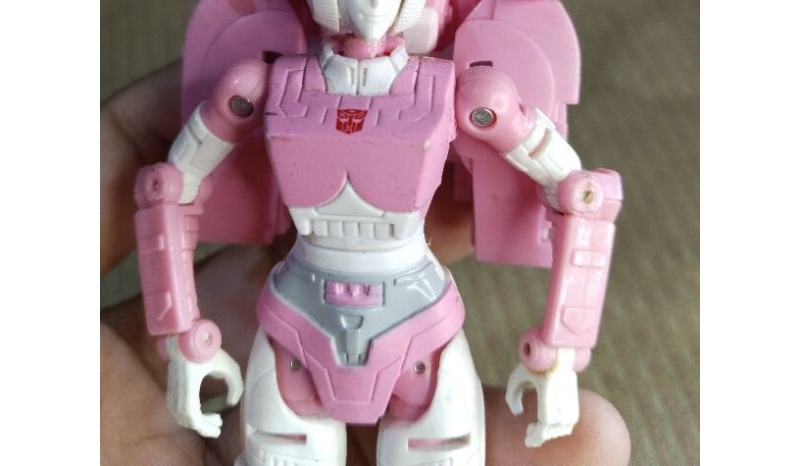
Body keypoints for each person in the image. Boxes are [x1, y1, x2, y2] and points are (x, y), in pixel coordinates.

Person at [100, 60, 630, 466]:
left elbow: (580, 193)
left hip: (415, 325)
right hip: (301, 323)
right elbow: (167, 189)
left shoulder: (457, 90)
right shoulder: (267, 84)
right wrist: (180, 337)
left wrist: (561, 348)